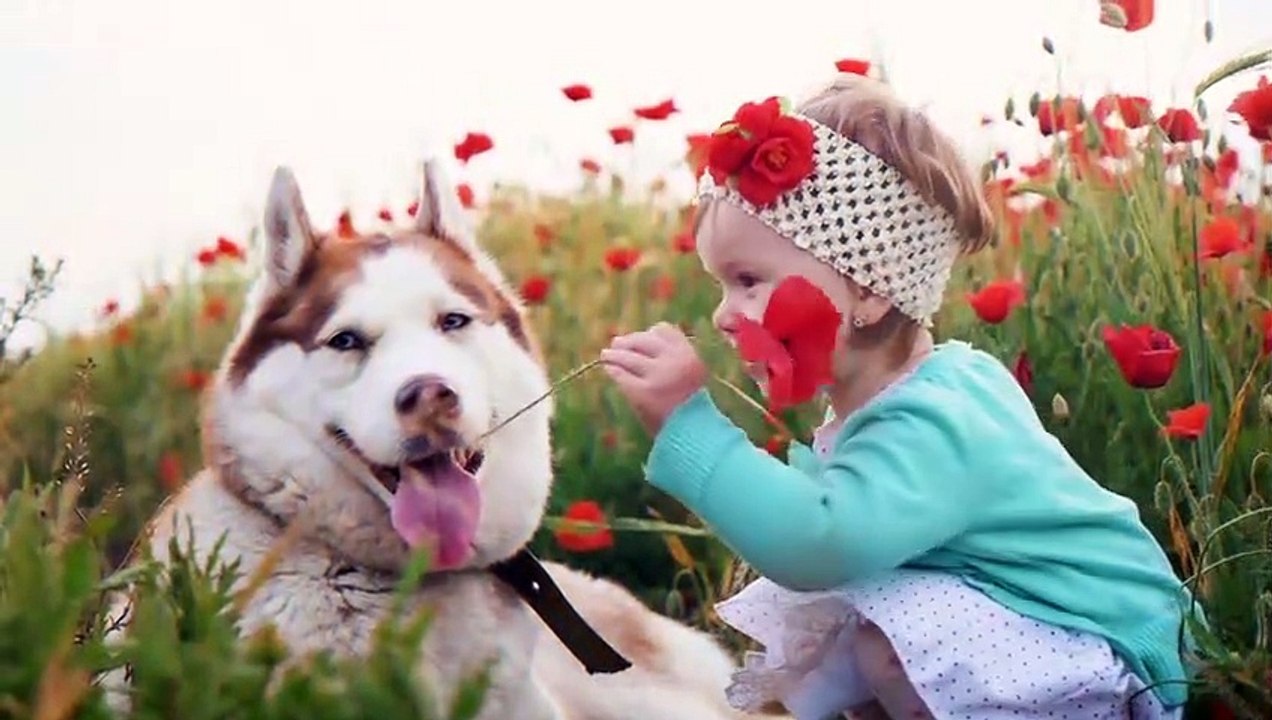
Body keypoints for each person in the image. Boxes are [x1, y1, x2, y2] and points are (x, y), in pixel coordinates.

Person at [600, 74, 1191, 719]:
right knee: (855, 631)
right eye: (722, 286)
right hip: (1035, 621)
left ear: (868, 288)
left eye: (748, 281)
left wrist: (689, 426)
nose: (722, 315)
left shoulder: (938, 419)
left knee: (888, 643)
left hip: (1105, 644)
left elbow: (817, 544)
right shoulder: (907, 394)